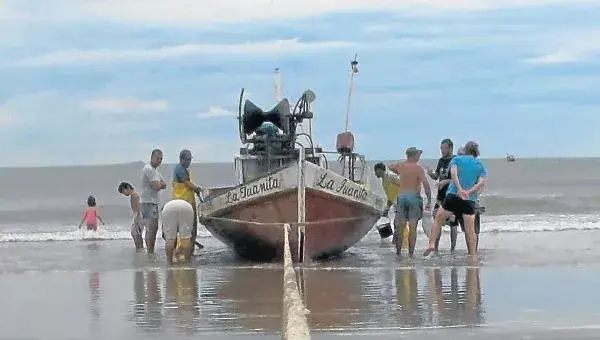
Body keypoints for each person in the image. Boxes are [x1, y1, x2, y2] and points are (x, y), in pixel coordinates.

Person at [424, 141, 487, 257]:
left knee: (438, 219)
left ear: (466, 150)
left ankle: (432, 244)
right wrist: (468, 191)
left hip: (453, 196)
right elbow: (481, 183)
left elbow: (453, 175)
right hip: (469, 200)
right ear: (476, 152)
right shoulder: (479, 164)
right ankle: (473, 255)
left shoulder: (457, 160)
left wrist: (459, 189)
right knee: (470, 231)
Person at [389, 147, 432, 257]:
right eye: (418, 155)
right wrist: (429, 200)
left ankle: (398, 253)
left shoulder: (401, 166)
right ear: (414, 156)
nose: (419, 157)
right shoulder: (418, 168)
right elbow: (426, 185)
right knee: (413, 226)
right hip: (414, 197)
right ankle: (410, 254)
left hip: (402, 197)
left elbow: (390, 167)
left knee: (400, 226)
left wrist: (401, 166)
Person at [426, 138, 460, 253]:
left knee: (453, 222)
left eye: (444, 148)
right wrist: (431, 174)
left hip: (452, 195)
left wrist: (446, 181)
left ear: (450, 148)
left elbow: (458, 179)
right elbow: (437, 176)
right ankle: (435, 247)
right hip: (440, 196)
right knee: (436, 219)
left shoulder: (456, 160)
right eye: (441, 148)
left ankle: (452, 248)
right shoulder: (441, 161)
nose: (442, 151)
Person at [172, 149, 204, 252]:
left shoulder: (185, 169)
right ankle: (184, 252)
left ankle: (190, 250)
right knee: (186, 229)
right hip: (183, 203)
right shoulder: (180, 169)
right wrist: (197, 189)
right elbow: (187, 183)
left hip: (189, 201)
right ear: (181, 159)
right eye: (187, 159)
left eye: (190, 160)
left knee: (191, 228)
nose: (189, 162)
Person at [374, 162, 408, 244]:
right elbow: (390, 195)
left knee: (398, 223)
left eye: (376, 171)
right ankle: (397, 243)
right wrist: (387, 208)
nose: (375, 173)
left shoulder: (390, 176)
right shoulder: (384, 180)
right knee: (397, 224)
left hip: (402, 201)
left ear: (380, 170)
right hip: (397, 203)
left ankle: (400, 243)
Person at [140, 149, 167, 254]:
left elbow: (164, 184)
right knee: (151, 228)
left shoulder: (155, 171)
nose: (159, 161)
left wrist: (160, 184)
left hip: (153, 202)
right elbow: (157, 186)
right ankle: (150, 252)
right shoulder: (149, 169)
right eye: (157, 158)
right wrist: (159, 184)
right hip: (148, 202)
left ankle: (150, 251)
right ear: (152, 158)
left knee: (153, 228)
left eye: (161, 159)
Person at [161, 199, 195, 265]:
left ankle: (169, 262)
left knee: (170, 239)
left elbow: (164, 235)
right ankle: (187, 261)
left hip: (168, 208)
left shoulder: (166, 207)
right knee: (186, 238)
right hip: (187, 207)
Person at [118, 182, 144, 250]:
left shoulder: (133, 196)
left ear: (128, 187)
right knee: (138, 234)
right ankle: (140, 248)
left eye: (123, 191)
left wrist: (135, 221)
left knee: (135, 233)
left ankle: (139, 248)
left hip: (138, 216)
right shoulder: (136, 194)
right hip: (140, 216)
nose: (124, 194)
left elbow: (136, 209)